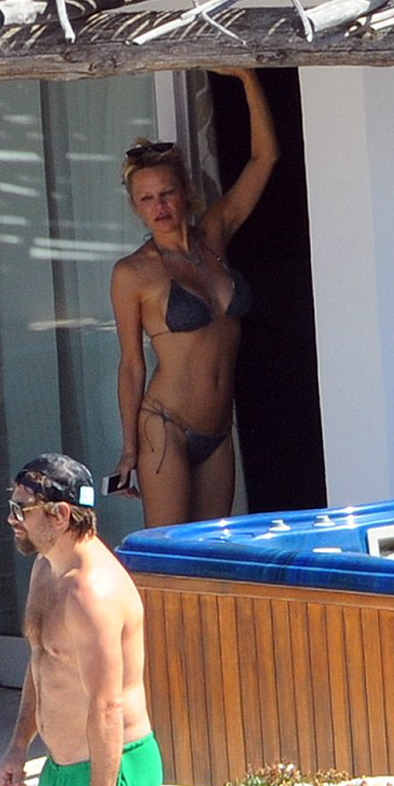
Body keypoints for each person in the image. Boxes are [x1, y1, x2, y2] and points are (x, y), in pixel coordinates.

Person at [111, 68, 279, 527]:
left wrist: (246, 77)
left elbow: (265, 157)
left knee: (209, 553)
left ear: (185, 192)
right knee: (168, 552)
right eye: (147, 199)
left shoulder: (214, 235)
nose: (159, 206)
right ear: (135, 207)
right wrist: (128, 449)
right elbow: (131, 364)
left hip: (218, 429)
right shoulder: (133, 272)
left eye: (167, 193)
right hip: (165, 425)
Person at [0, 452, 162, 786]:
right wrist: (18, 745)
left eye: (22, 509)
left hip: (108, 772)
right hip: (62, 769)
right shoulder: (45, 568)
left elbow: (107, 704)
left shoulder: (91, 594)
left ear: (60, 515)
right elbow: (42, 660)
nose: (12, 519)